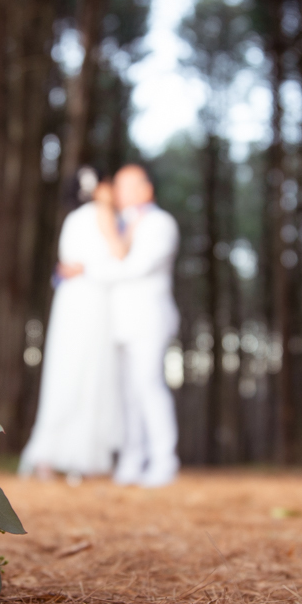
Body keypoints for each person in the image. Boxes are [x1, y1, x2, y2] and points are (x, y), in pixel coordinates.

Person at [59, 164, 180, 488]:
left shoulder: (160, 223)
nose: (117, 192)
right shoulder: (120, 223)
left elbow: (135, 268)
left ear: (146, 190)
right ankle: (131, 460)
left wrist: (85, 270)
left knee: (149, 387)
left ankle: (164, 460)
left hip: (149, 319)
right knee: (128, 393)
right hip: (118, 323)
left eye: (126, 186)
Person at [18, 168, 124, 479]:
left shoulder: (73, 219)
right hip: (93, 300)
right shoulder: (101, 212)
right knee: (91, 372)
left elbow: (65, 267)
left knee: (64, 372)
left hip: (70, 302)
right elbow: (118, 254)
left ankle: (46, 457)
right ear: (98, 189)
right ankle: (83, 457)